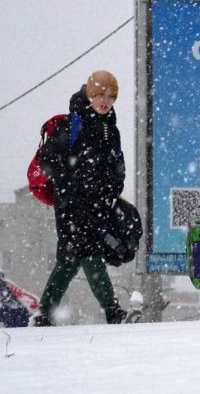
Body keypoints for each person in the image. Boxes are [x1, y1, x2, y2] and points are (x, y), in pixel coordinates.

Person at [33, 70, 127, 326]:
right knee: (88, 254)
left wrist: (111, 192)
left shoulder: (112, 130)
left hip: (97, 205)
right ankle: (113, 311)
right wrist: (70, 185)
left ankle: (43, 313)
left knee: (70, 259)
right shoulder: (71, 124)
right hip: (71, 206)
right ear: (89, 94)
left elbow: (118, 166)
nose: (105, 101)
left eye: (111, 96)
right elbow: (48, 159)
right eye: (99, 95)